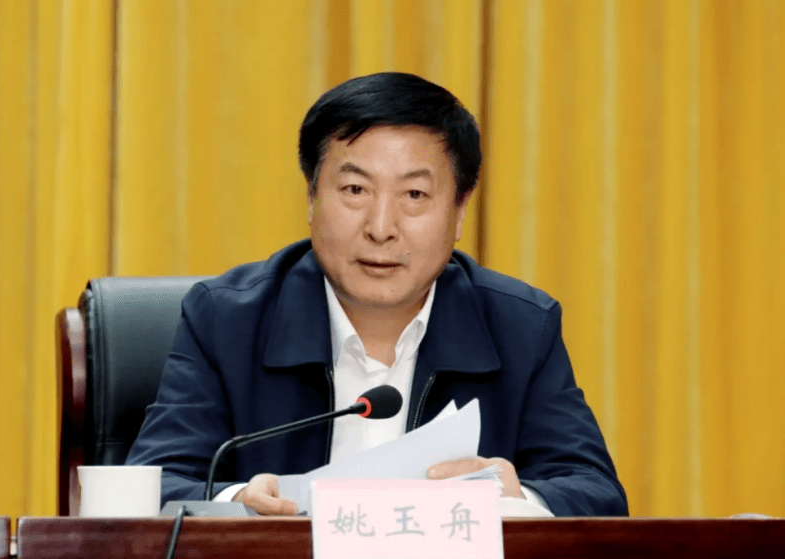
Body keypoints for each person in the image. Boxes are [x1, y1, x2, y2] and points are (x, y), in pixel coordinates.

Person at [126, 72, 628, 517]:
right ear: (311, 197)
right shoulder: (226, 319)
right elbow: (151, 486)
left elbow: (596, 494)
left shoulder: (520, 327)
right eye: (355, 190)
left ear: (459, 211)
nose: (381, 227)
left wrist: (514, 501)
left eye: (414, 195)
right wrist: (238, 503)